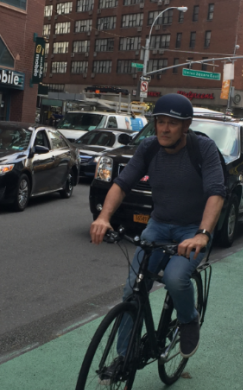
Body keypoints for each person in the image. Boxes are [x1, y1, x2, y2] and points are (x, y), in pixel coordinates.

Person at [90, 93, 225, 359]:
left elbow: (216, 192)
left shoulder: (203, 149)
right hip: (159, 225)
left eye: (172, 123)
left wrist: (203, 234)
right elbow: (122, 183)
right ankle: (123, 359)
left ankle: (188, 320)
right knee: (132, 289)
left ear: (186, 125)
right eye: (160, 121)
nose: (164, 128)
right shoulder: (149, 147)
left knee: (175, 279)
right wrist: (104, 216)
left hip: (191, 230)